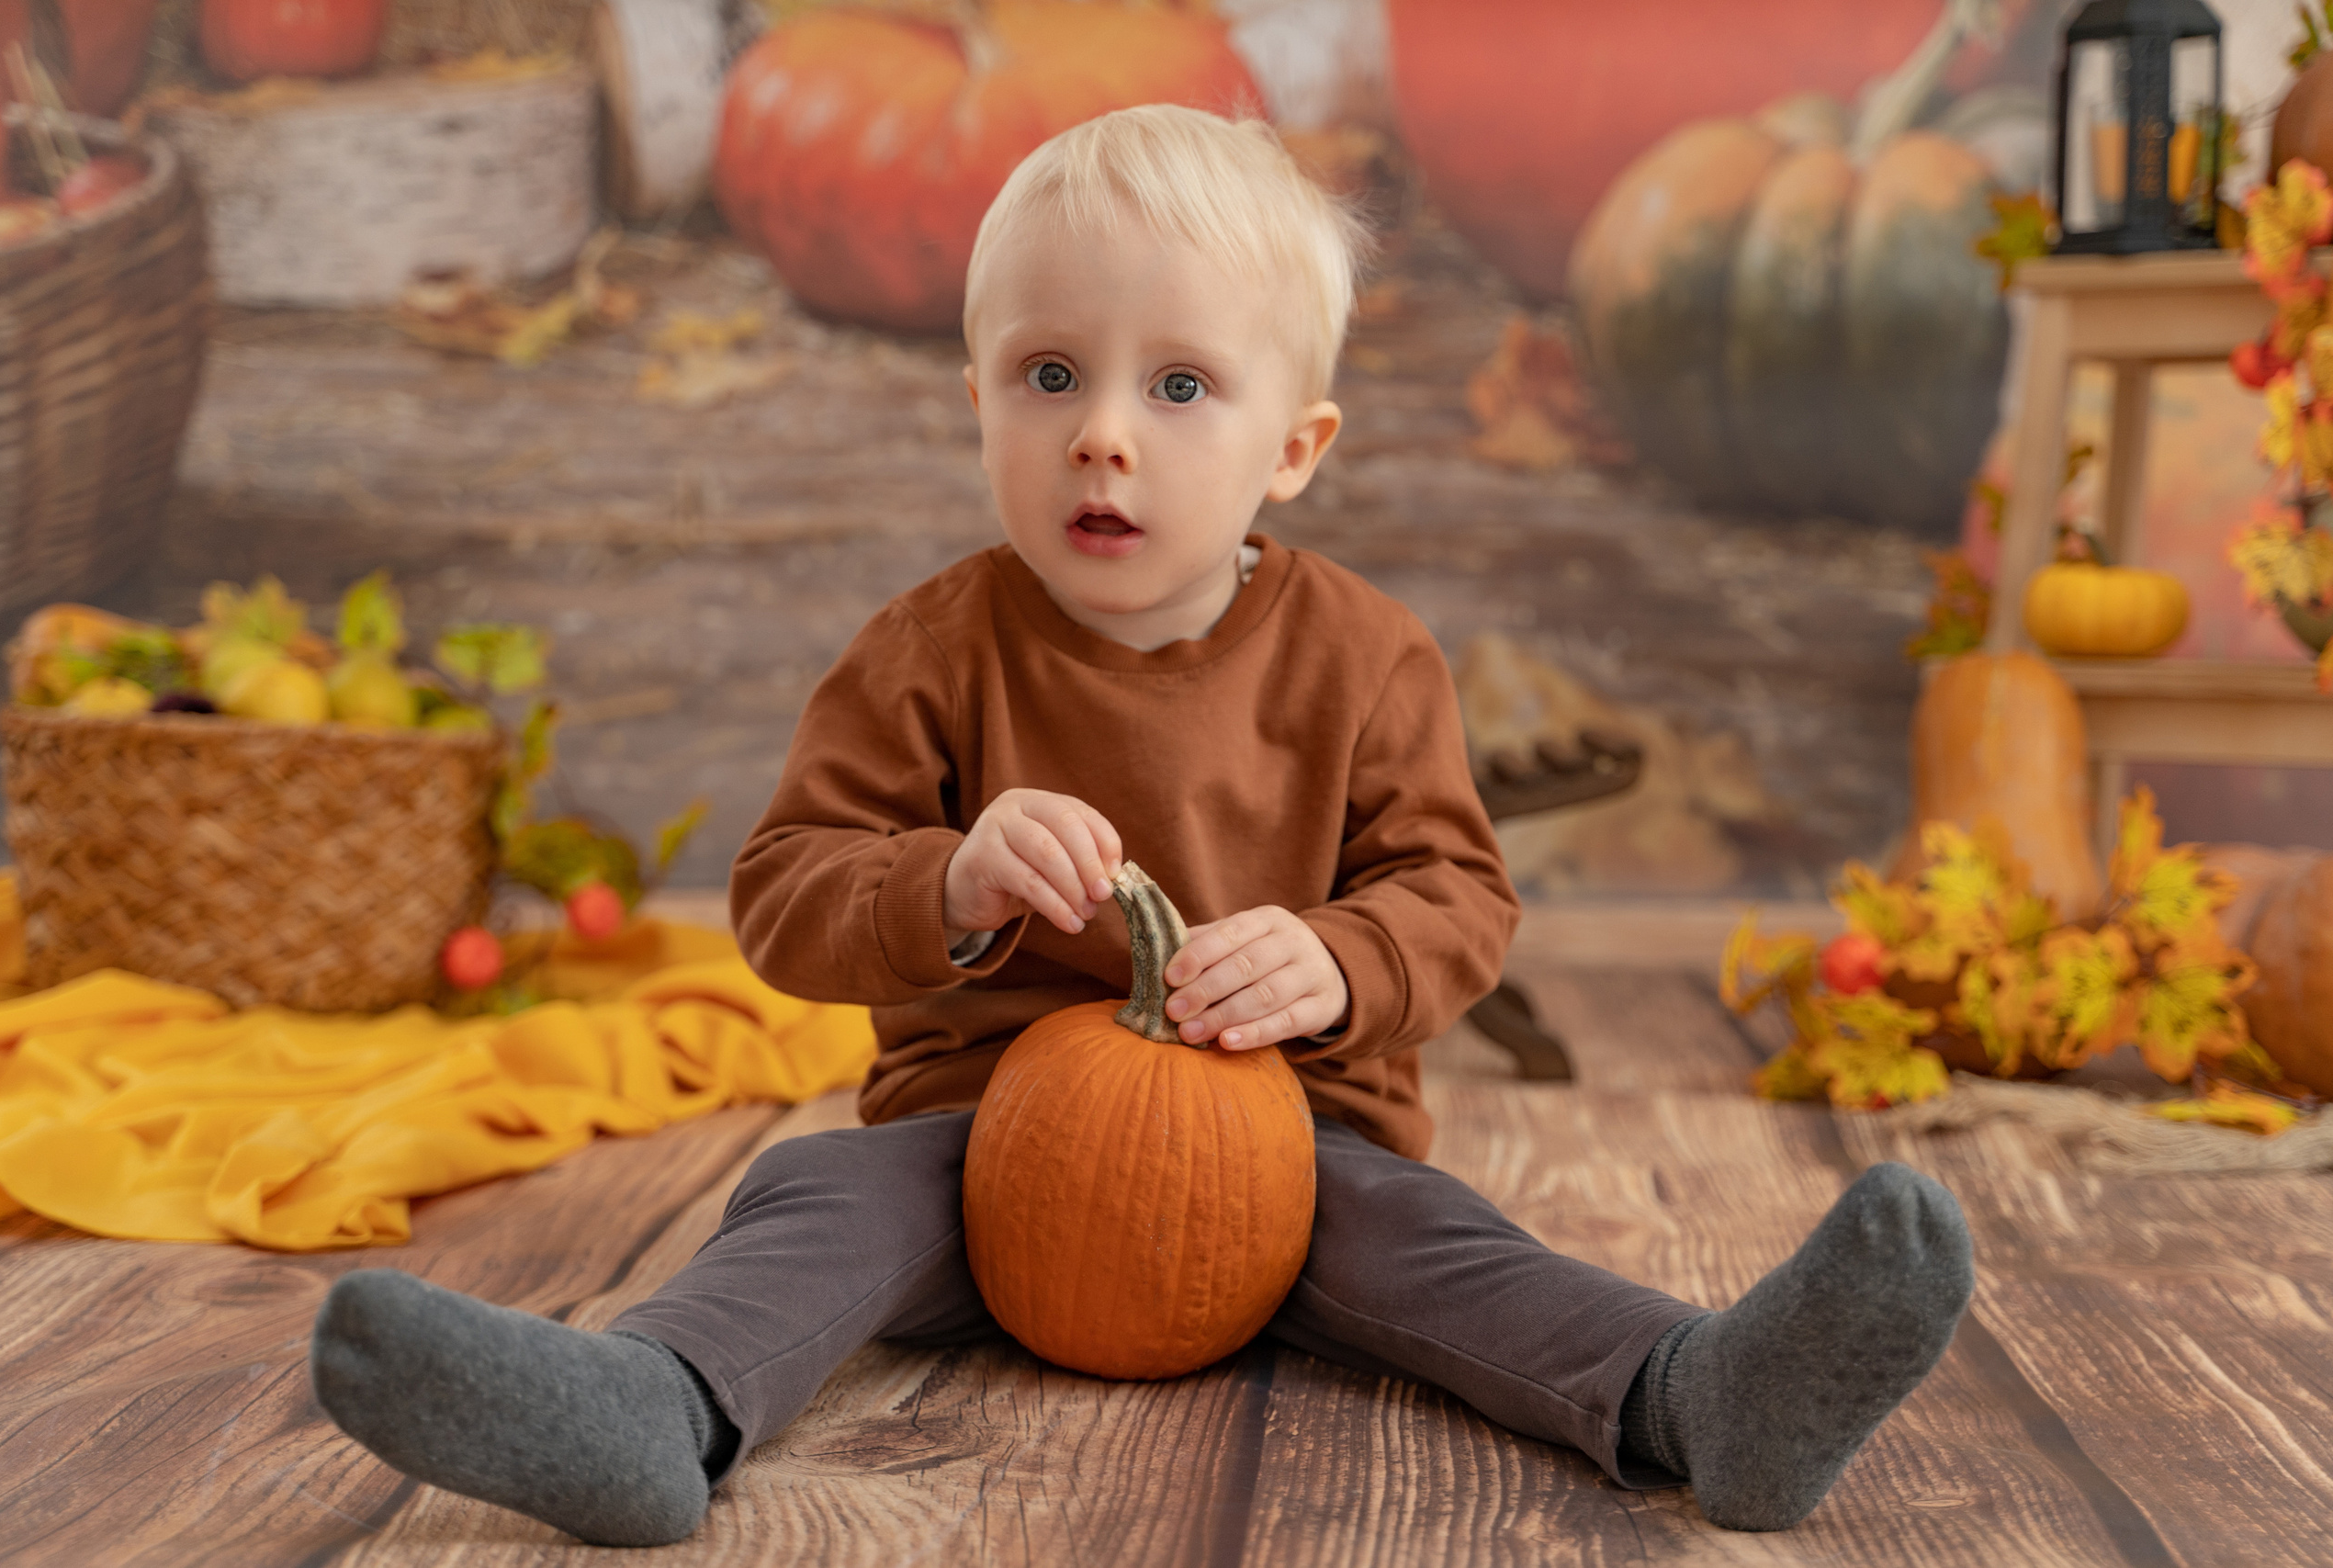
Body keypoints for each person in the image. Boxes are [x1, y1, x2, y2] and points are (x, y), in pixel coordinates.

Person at [310, 105, 1974, 1548]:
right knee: (817, 1200)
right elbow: (779, 895)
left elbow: (1457, 894)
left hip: (1285, 1156)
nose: (1103, 429)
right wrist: (945, 880)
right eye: (1050, 374)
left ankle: (1698, 1392)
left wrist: (1337, 960)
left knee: (1441, 1247)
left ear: (1294, 447)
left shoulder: (1367, 657)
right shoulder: (927, 652)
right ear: (975, 401)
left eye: (1181, 384)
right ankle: (655, 1406)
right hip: (977, 1158)